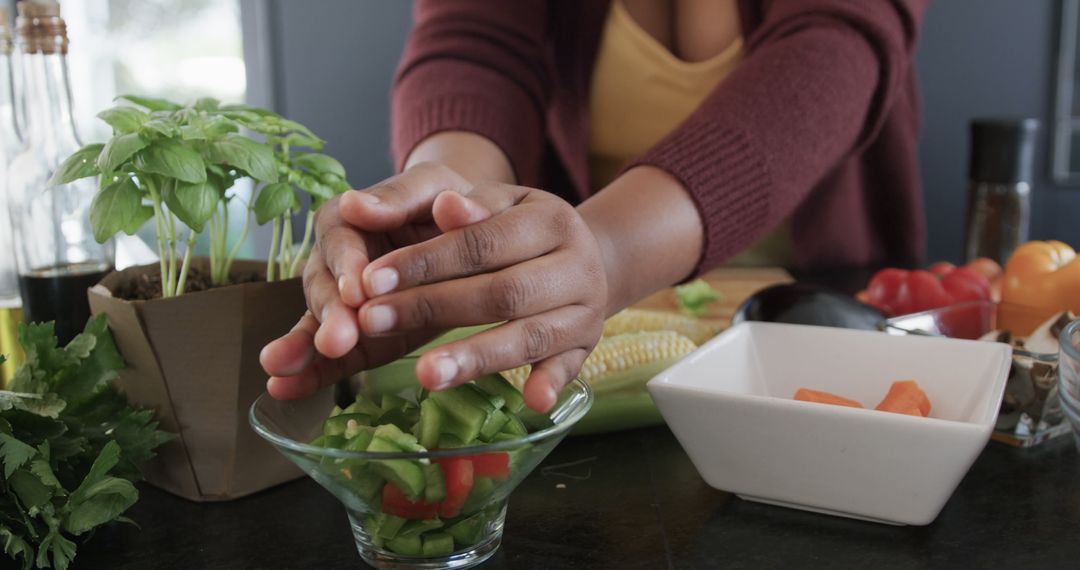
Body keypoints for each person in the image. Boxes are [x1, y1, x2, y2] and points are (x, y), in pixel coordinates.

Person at [260, 0, 929, 412]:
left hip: (810, 310)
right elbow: (475, 41)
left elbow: (837, 46)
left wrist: (602, 253)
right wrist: (448, 201)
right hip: (576, 310)